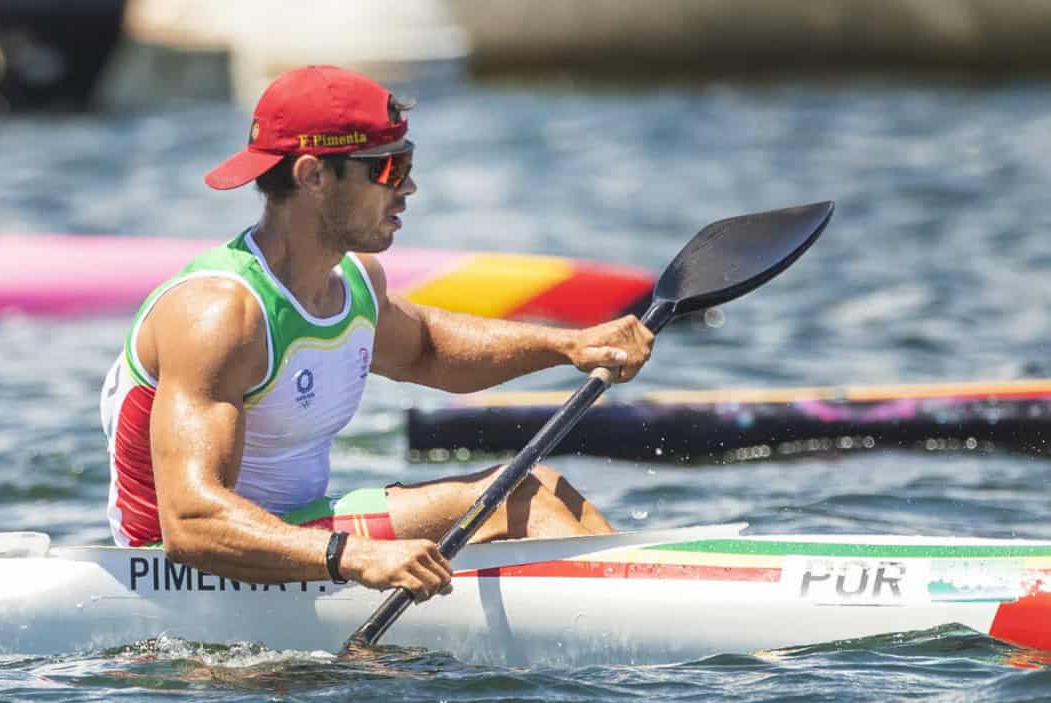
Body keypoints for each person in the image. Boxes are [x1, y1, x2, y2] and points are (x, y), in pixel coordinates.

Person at [100, 65, 654, 603]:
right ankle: (639, 624)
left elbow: (430, 351)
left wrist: (568, 346)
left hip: (299, 538)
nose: (408, 186)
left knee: (547, 489)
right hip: (185, 569)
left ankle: (650, 591)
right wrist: (353, 556)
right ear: (313, 176)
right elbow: (191, 524)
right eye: (388, 168)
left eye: (406, 162)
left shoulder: (354, 281)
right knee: (523, 500)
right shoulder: (220, 313)